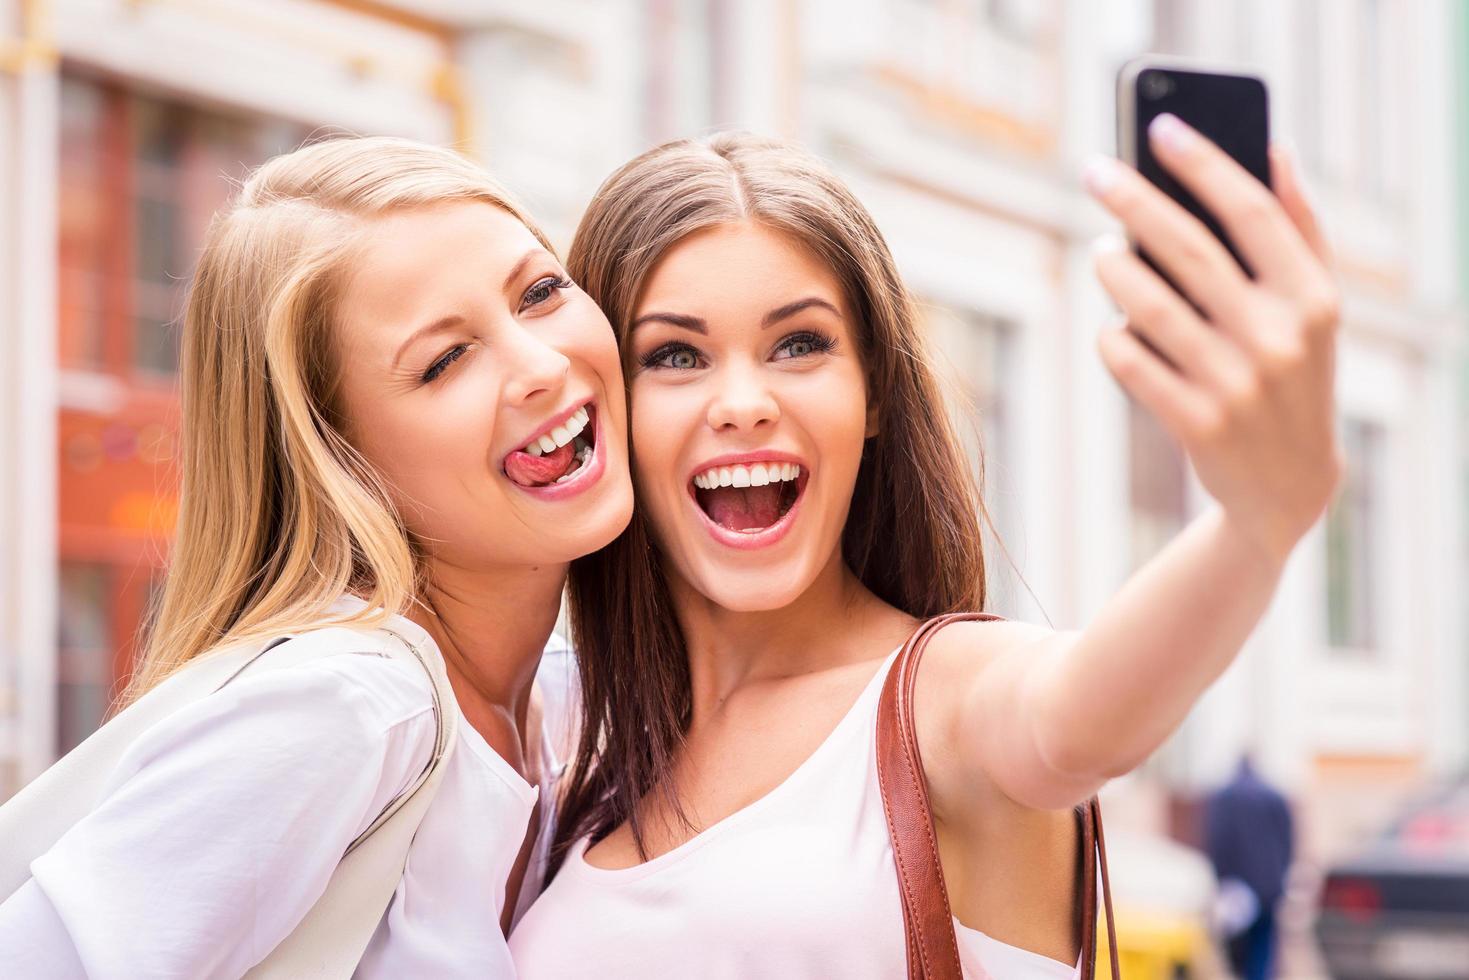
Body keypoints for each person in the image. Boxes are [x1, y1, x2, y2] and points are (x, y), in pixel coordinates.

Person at [509, 122, 1340, 977]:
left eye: (799, 344)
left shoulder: (942, 698)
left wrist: (1254, 524)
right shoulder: (582, 752)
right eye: (675, 355)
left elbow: (1078, 719)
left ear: (872, 394)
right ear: (608, 409)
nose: (743, 401)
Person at [0, 135, 633, 977]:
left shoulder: (563, 704)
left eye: (541, 291)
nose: (541, 366)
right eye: (444, 361)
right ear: (334, 453)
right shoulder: (348, 707)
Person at [1205, 756, 1295, 980]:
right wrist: (1282, 873)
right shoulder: (1273, 796)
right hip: (1269, 885)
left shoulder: (1225, 797)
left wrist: (1221, 877)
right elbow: (1287, 840)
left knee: (1237, 950)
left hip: (1237, 885)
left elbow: (1217, 840)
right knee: (1262, 948)